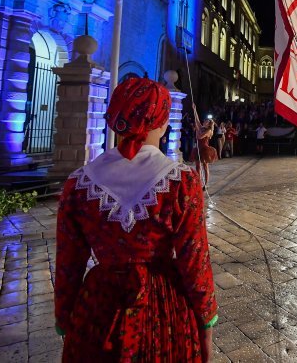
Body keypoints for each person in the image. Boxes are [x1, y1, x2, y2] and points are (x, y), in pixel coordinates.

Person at [54, 77, 217, 361]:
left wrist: (65, 317)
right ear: (162, 122)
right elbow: (195, 260)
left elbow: (68, 263)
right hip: (164, 307)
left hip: (98, 307)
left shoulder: (79, 184)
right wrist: (206, 319)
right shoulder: (181, 182)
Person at [191, 112, 218, 187]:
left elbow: (199, 137)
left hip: (204, 150)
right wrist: (195, 109)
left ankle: (205, 184)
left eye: (206, 121)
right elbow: (197, 119)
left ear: (208, 124)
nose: (204, 122)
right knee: (197, 167)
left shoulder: (208, 131)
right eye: (204, 121)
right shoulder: (201, 128)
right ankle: (198, 182)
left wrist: (197, 130)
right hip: (198, 149)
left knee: (205, 167)